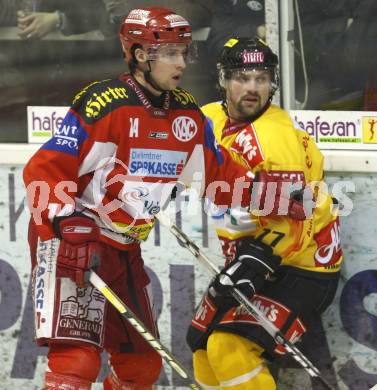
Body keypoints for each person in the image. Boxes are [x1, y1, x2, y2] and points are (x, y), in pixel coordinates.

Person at [22, 8, 264, 390]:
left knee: (142, 366)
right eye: (169, 53)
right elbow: (44, 170)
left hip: (123, 249)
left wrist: (276, 195)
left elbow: (220, 176)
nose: (180, 62)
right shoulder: (104, 105)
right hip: (73, 241)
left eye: (184, 52)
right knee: (77, 359)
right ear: (139, 55)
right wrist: (64, 220)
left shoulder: (186, 114)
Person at [186, 37, 343, 389]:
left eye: (262, 77)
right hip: (253, 258)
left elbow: (298, 216)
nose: (253, 87)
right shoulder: (209, 118)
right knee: (201, 348)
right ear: (223, 80)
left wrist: (258, 259)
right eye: (243, 77)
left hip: (303, 266)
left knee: (229, 346)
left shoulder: (275, 138)